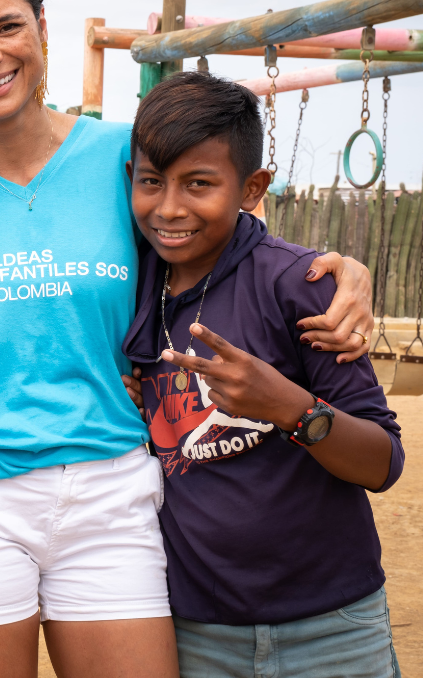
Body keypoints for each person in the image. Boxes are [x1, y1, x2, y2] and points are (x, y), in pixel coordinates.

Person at [0, 0, 376, 678]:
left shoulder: (126, 157)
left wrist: (345, 273)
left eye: (7, 26)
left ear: (42, 27)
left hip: (111, 484)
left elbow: (221, 229)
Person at [122, 72, 402, 677]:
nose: (169, 208)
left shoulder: (298, 288)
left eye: (199, 184)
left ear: (251, 188)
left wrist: (293, 410)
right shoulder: (133, 284)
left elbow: (383, 462)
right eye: (152, 182)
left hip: (333, 626)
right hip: (194, 630)